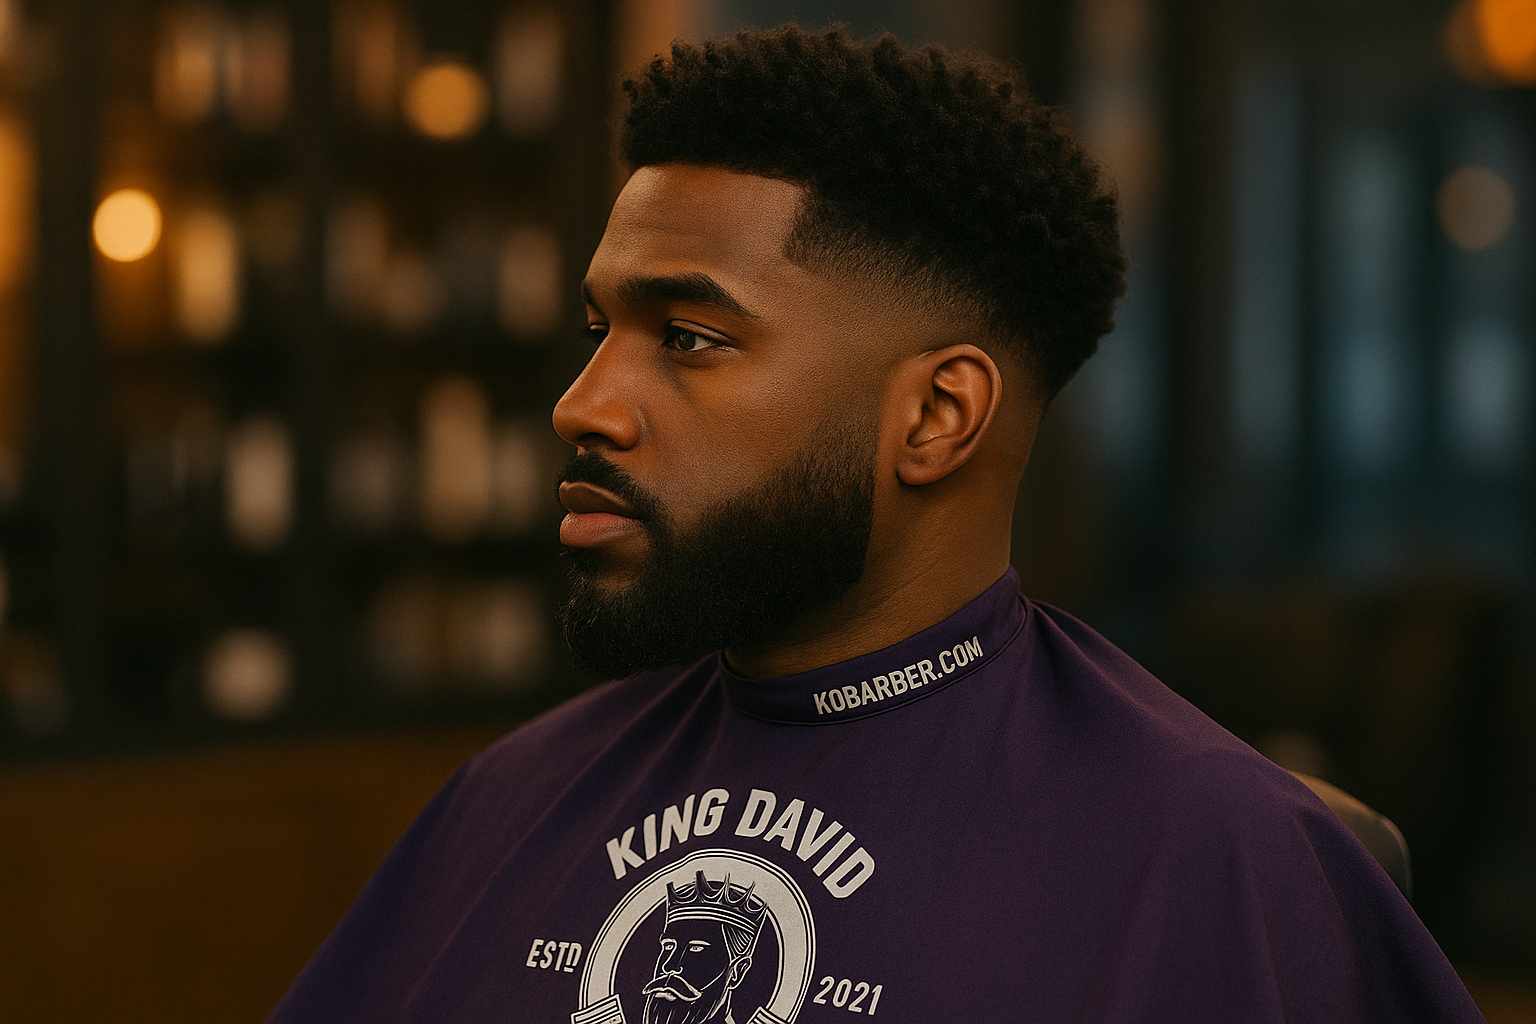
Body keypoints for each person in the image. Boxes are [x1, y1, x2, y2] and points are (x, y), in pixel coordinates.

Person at [268, 26, 1485, 1023]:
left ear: (937, 415)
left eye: (688, 338)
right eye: (600, 332)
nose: (582, 407)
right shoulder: (513, 794)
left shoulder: (1212, 854)